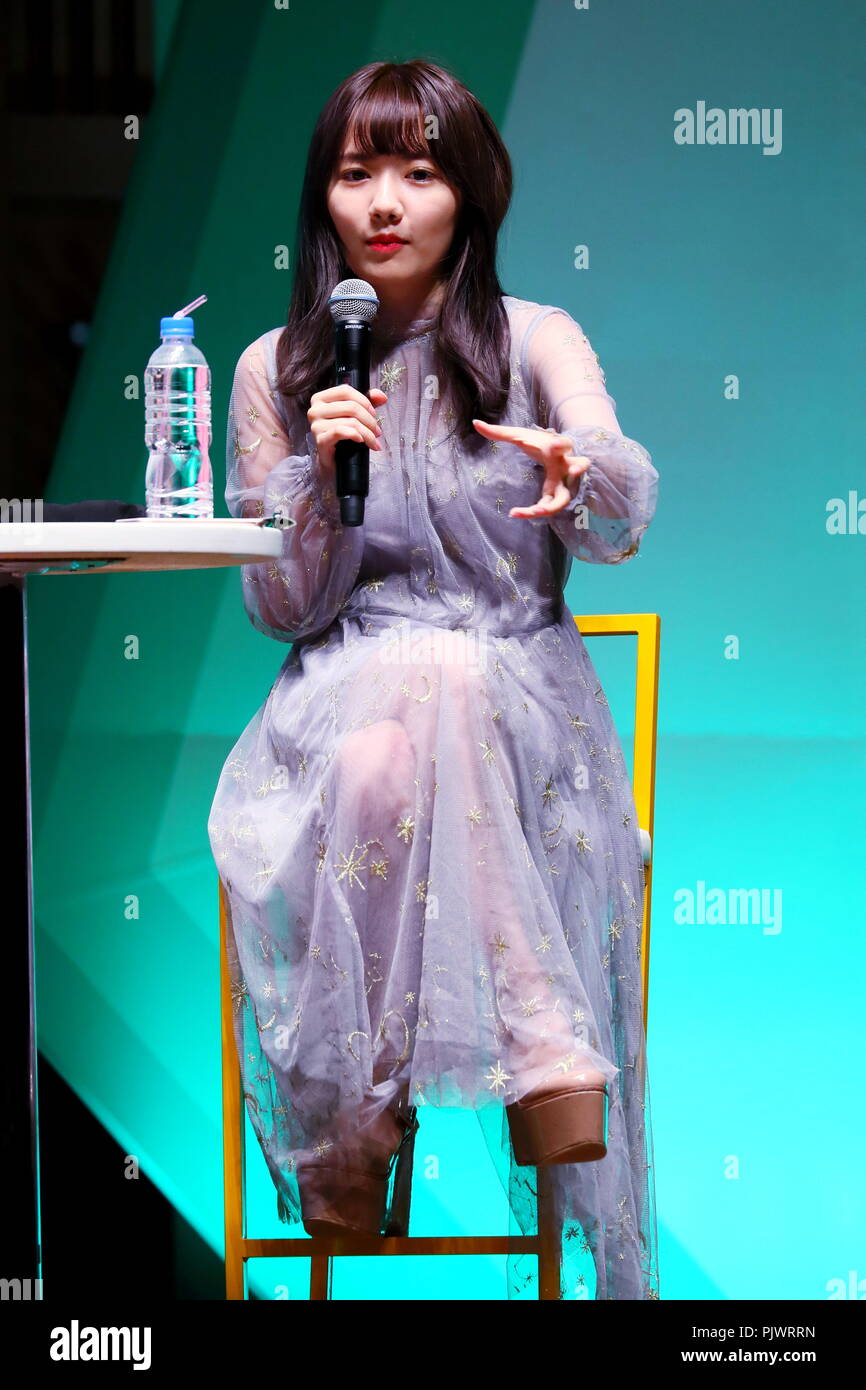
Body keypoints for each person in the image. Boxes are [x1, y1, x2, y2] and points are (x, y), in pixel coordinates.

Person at [208, 57, 660, 1300]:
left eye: (419, 171)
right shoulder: (273, 369)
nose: (386, 202)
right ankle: (541, 1040)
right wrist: (313, 479)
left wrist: (584, 472)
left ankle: (347, 1126)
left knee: (448, 671)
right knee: (379, 737)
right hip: (336, 707)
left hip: (519, 704)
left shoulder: (532, 341)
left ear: (471, 193)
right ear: (324, 202)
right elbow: (281, 611)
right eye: (357, 175)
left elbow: (615, 498)